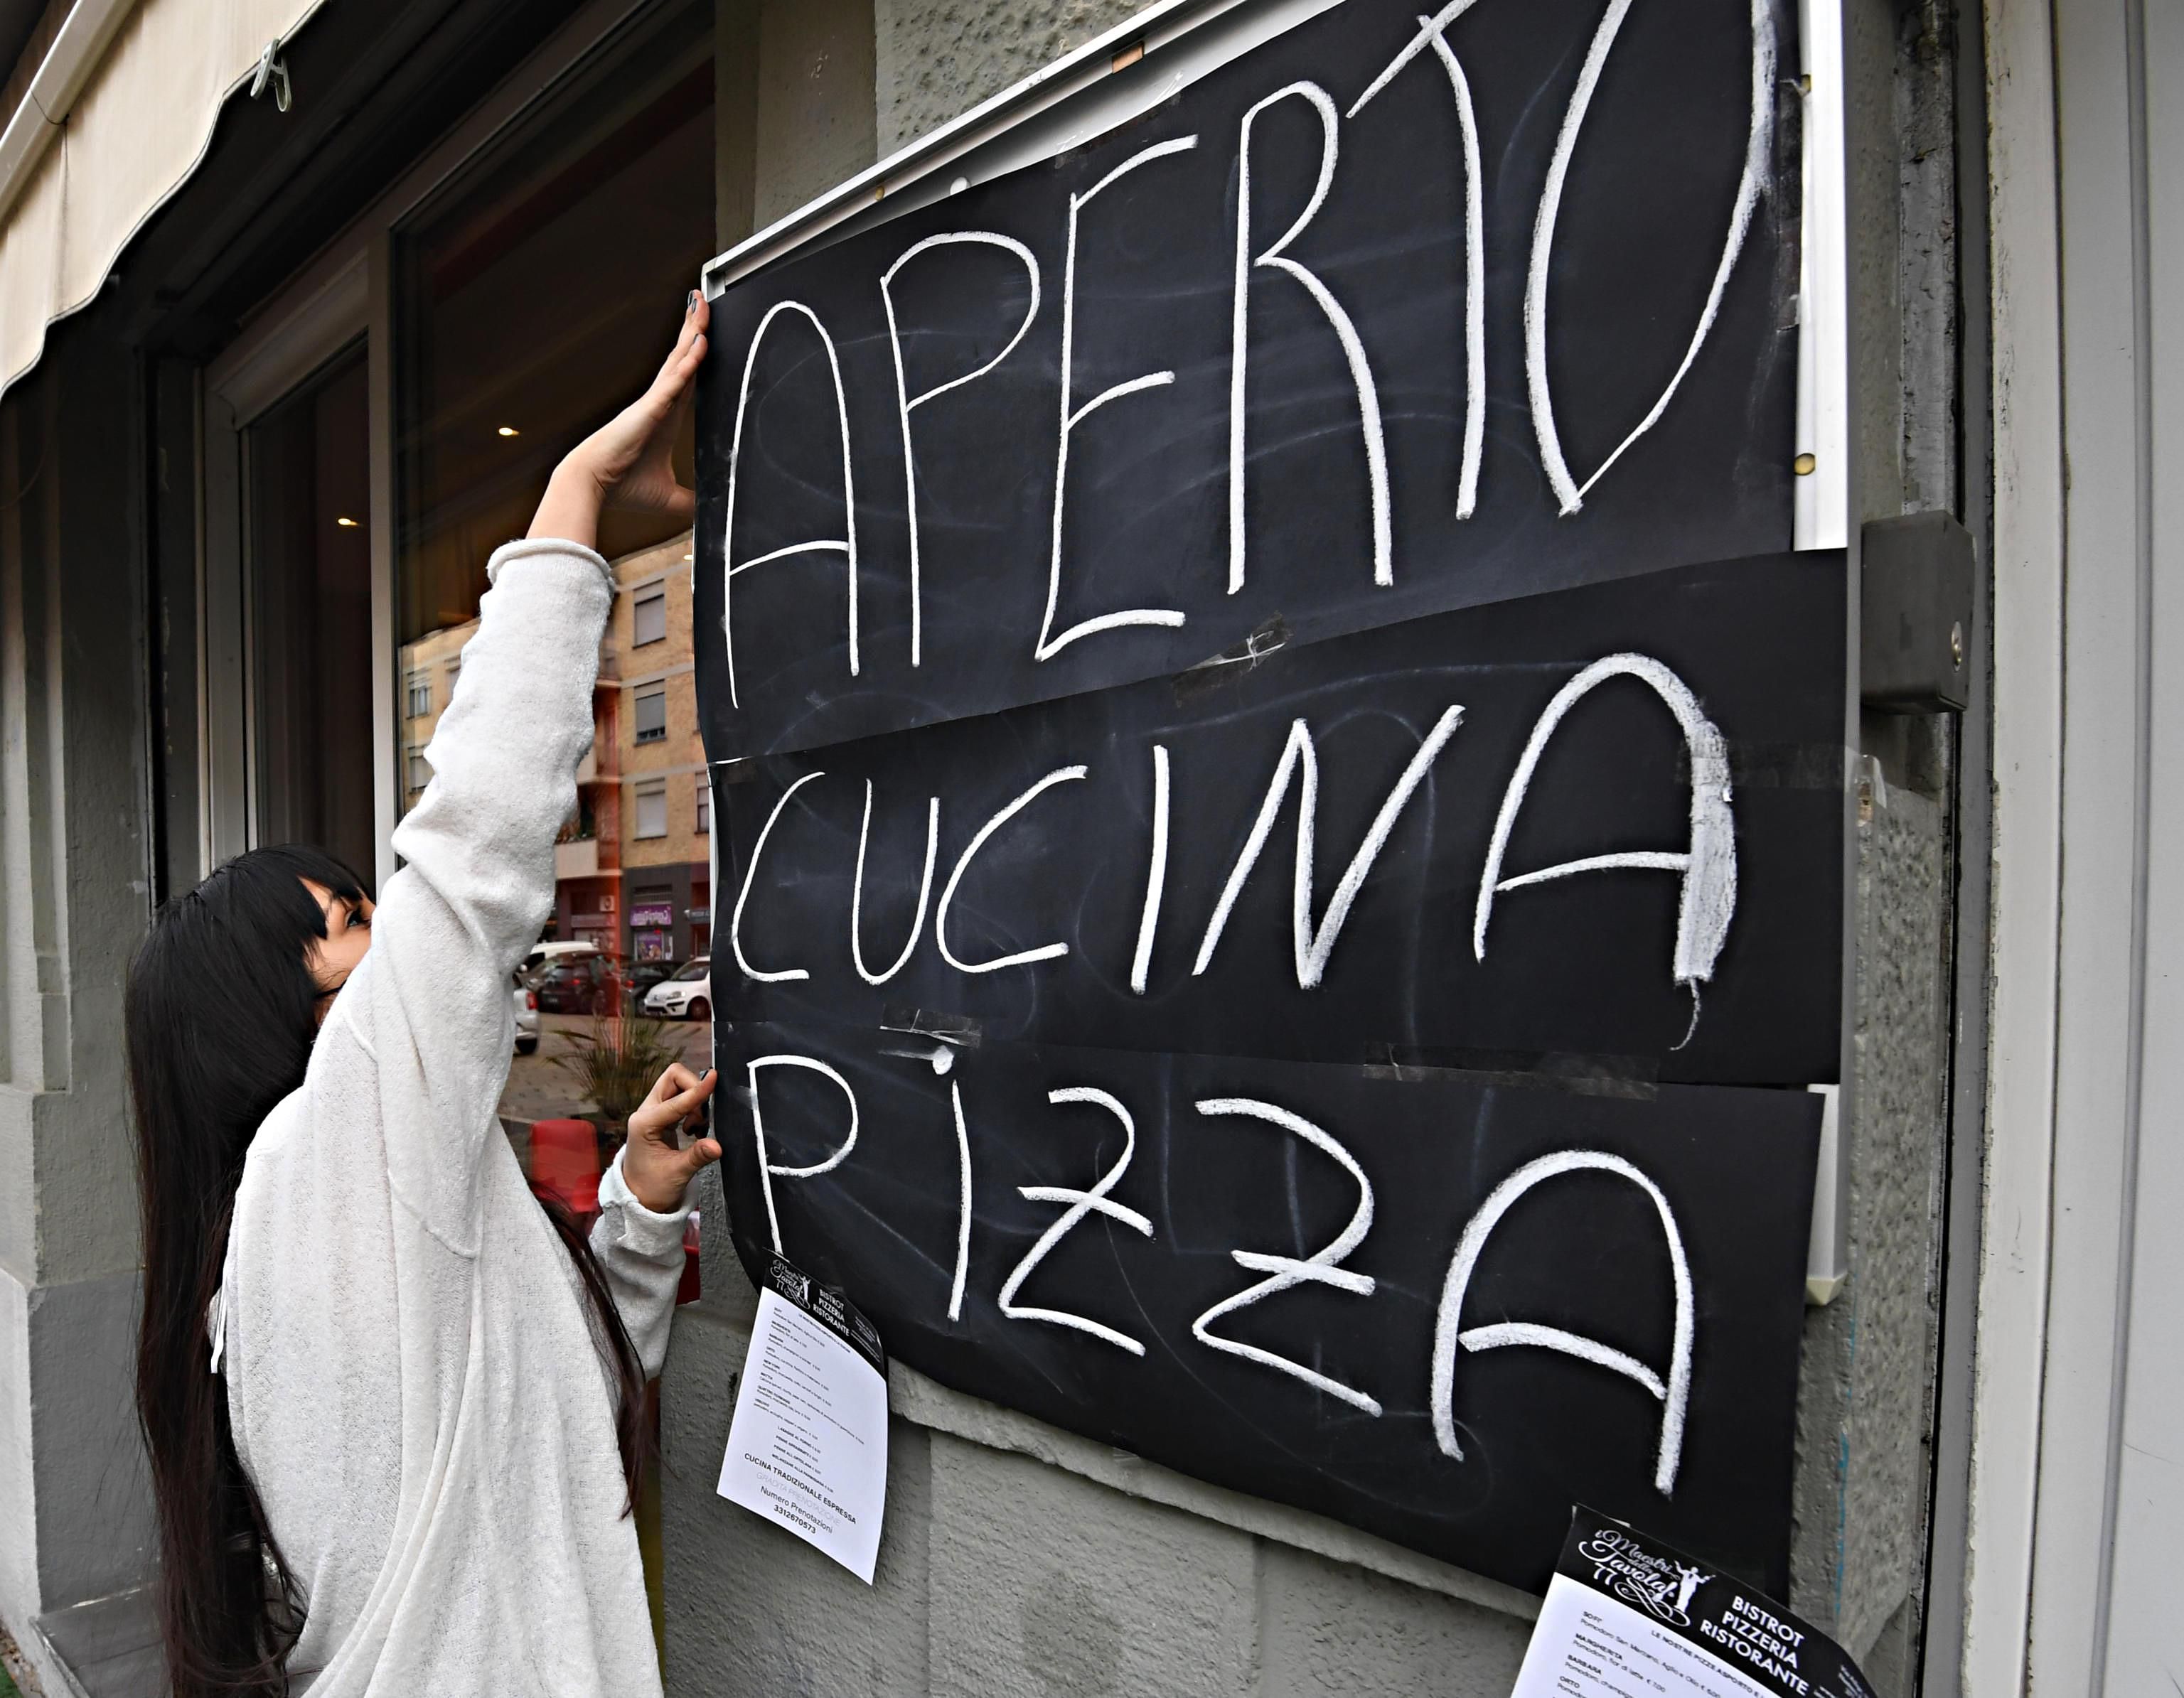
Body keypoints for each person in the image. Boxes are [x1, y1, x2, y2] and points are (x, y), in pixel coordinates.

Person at [125, 295, 721, 1698]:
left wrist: (632, 1221)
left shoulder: (306, 1232)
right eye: (343, 924)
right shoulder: (320, 1156)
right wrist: (574, 508)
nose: (386, 932)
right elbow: (472, 854)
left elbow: (536, 1430)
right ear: (260, 1012)